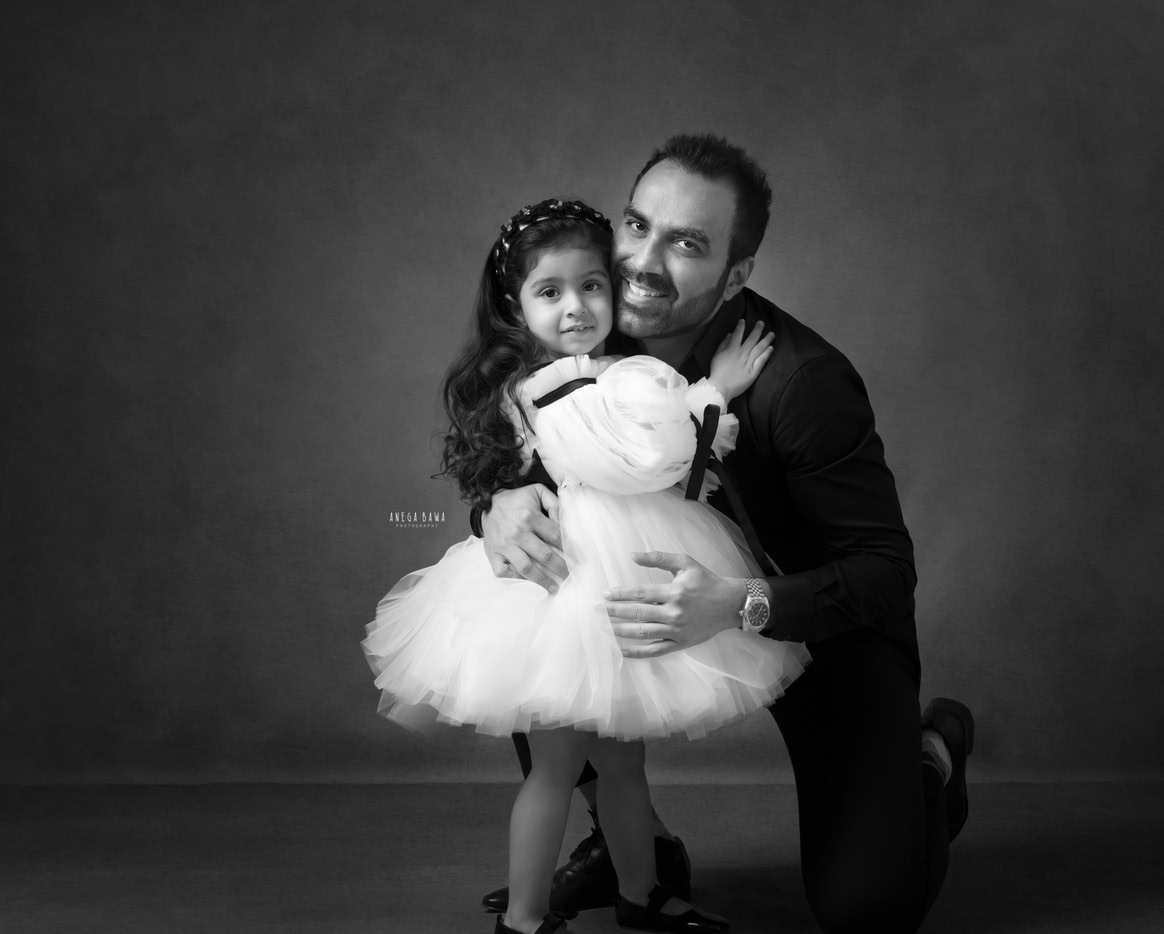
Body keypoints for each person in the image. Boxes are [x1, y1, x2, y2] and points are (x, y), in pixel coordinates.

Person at [474, 136, 975, 934]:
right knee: (535, 634)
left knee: (867, 908)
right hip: (649, 601)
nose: (642, 260)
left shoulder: (804, 384)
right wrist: (496, 508)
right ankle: (634, 850)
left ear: (737, 274)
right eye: (636, 226)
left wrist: (741, 603)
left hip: (811, 624)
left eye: (686, 243)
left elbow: (884, 573)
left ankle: (931, 758)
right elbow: (528, 458)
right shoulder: (587, 326)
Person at [362, 198, 812, 934]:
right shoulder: (554, 384)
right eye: (550, 292)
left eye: (592, 286)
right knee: (557, 768)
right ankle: (529, 918)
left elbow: (678, 476)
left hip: (613, 575)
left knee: (622, 769)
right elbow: (639, 461)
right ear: (516, 305)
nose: (576, 307)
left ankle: (644, 894)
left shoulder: (604, 371)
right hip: (574, 583)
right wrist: (717, 391)